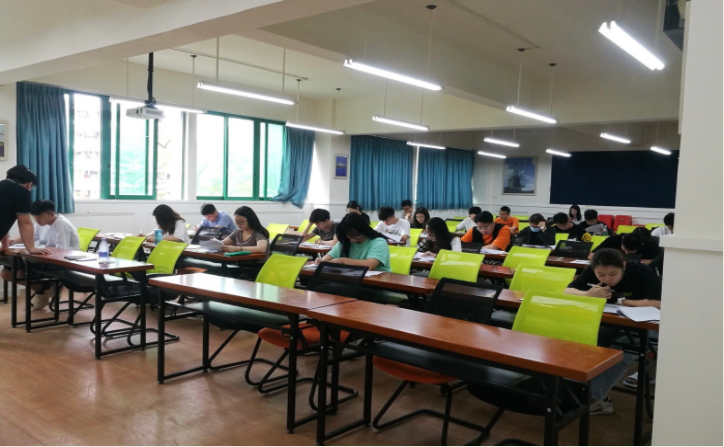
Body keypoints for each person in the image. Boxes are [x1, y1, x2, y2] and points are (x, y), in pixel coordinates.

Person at [564, 248, 661, 415]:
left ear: (623, 265)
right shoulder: (594, 269)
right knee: (579, 340)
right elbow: (567, 291)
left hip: (643, 326)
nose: (607, 279)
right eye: (601, 275)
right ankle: (572, 392)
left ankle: (594, 398)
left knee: (622, 350)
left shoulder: (642, 272)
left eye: (613, 274)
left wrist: (625, 302)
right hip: (610, 323)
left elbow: (657, 303)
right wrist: (588, 294)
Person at [1, 200, 80, 310]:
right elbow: (30, 237)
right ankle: (44, 289)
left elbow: (61, 250)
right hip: (46, 258)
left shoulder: (61, 224)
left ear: (51, 214)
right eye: (34, 217)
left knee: (20, 273)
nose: (37, 220)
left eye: (39, 217)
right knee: (6, 273)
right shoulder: (41, 223)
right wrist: (11, 242)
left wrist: (32, 249)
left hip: (62, 261)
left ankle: (44, 290)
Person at [313, 212, 391, 272]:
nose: (348, 236)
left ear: (362, 229)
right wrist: (321, 261)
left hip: (377, 282)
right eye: (346, 233)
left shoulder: (378, 242)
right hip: (353, 279)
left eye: (352, 233)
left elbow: (370, 264)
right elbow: (329, 257)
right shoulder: (346, 241)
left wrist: (342, 260)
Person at [0, 165, 51, 255]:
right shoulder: (21, 191)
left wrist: (5, 246)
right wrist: (31, 248)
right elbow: (24, 223)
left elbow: (3, 220)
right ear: (29, 185)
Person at [590, 230, 660, 260]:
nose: (626, 253)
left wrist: (640, 262)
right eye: (624, 250)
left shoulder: (649, 244)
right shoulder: (613, 240)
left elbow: (660, 261)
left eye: (630, 252)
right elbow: (591, 255)